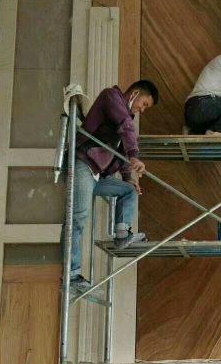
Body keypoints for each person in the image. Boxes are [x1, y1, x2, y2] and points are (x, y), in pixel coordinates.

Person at [62, 80, 159, 295]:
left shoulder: (126, 118)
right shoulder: (111, 97)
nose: (142, 109)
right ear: (135, 93)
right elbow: (126, 128)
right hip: (82, 164)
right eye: (144, 104)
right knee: (77, 219)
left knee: (129, 190)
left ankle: (122, 234)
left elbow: (121, 154)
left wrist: (128, 177)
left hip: (96, 175)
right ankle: (72, 275)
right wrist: (135, 155)